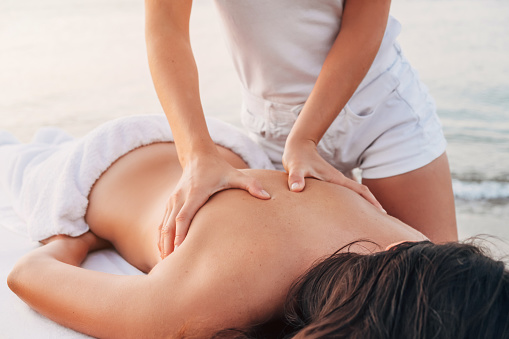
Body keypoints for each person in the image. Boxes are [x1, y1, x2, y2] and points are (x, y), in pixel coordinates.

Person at [5, 117, 508, 338]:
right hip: (93, 169)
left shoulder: (426, 257)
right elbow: (27, 275)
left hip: (226, 154)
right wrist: (77, 240)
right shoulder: (206, 302)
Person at [144, 0, 458, 258]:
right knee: (310, 299)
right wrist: (197, 155)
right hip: (275, 127)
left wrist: (306, 138)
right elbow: (165, 26)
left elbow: (365, 20)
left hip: (380, 107)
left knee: (442, 286)